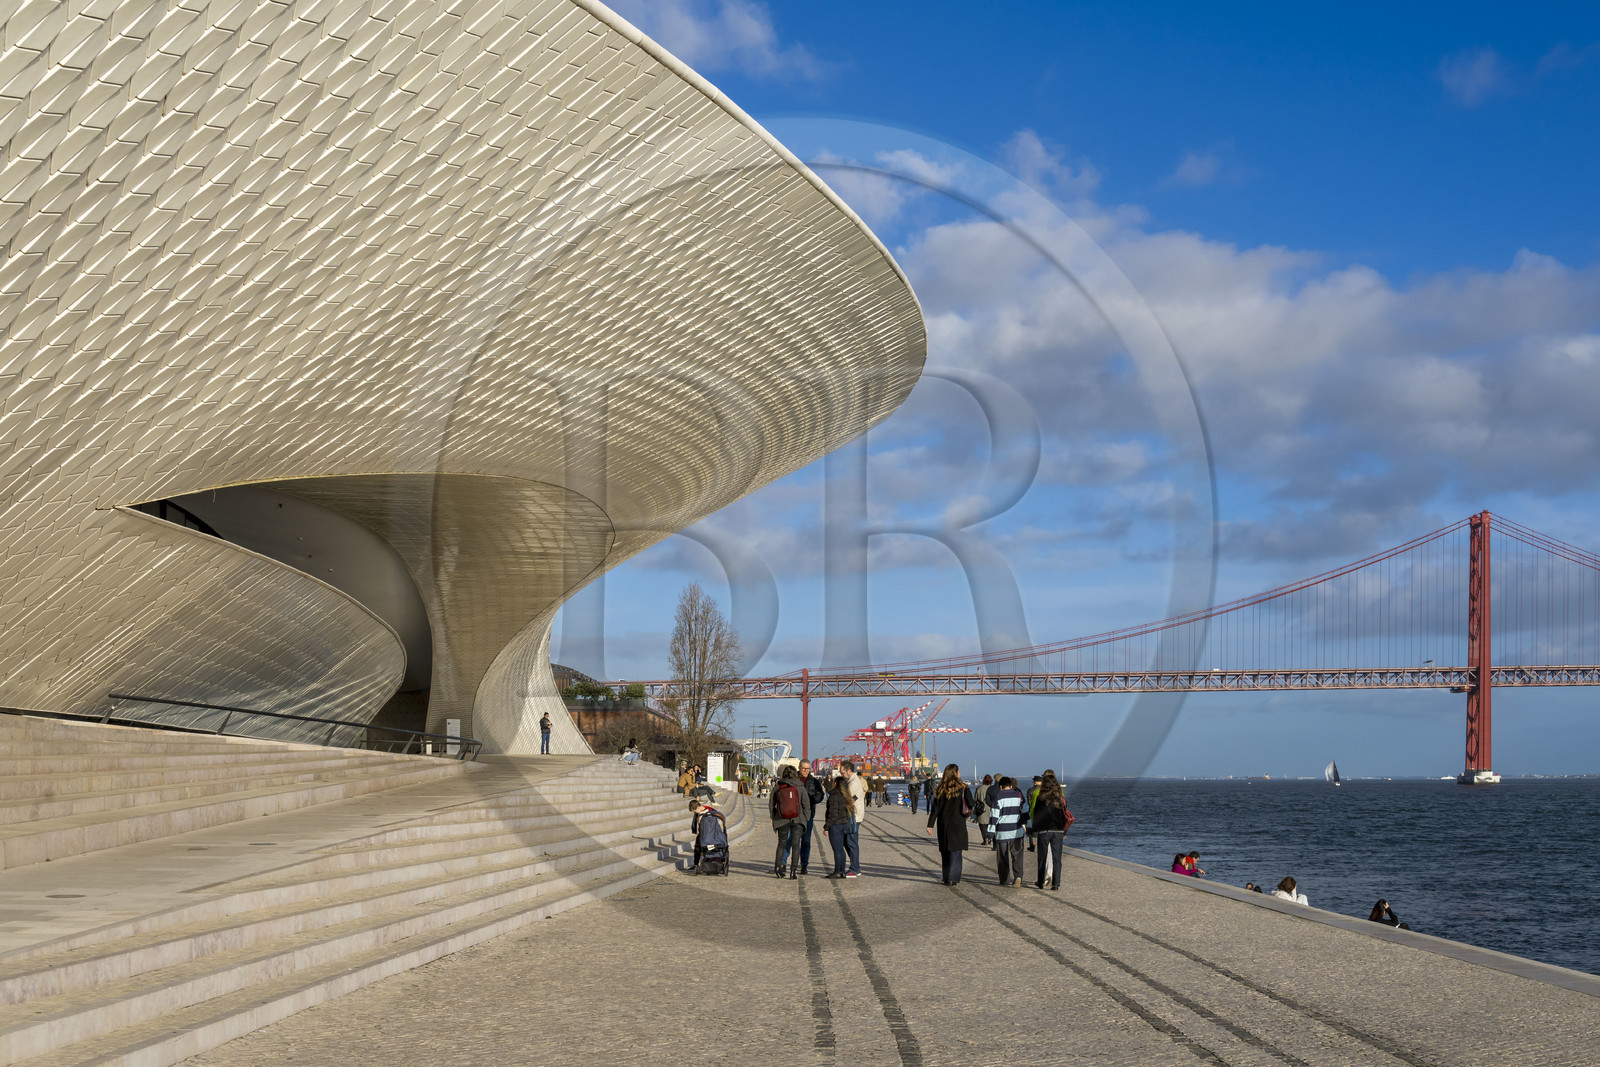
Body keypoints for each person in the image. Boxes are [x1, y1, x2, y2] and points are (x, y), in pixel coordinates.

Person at [925, 763, 974, 885]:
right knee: (956, 852)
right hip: (958, 823)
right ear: (956, 773)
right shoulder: (963, 787)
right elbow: (971, 804)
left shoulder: (940, 788)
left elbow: (935, 809)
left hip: (943, 823)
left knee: (945, 851)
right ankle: (953, 878)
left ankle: (946, 877)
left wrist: (930, 825)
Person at [1031, 774, 1073, 890]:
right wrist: (1065, 832)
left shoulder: (1040, 798)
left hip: (1044, 831)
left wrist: (1034, 834)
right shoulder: (1061, 799)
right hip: (1058, 831)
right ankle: (1056, 883)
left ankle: (1040, 881)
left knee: (1042, 857)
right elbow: (1065, 816)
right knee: (1057, 858)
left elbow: (1036, 817)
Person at [769, 765, 812, 879]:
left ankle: (778, 868)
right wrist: (806, 818)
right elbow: (806, 804)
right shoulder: (800, 786)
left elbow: (771, 801)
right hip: (797, 819)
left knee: (781, 844)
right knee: (796, 844)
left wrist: (773, 815)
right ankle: (793, 871)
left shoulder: (778, 785)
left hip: (782, 819)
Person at [988, 776, 1028, 887]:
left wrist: (990, 833)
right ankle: (1018, 876)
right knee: (1017, 856)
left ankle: (1004, 880)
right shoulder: (1018, 795)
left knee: (1002, 858)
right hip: (1017, 831)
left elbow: (994, 816)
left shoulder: (998, 796)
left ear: (1001, 786)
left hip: (1002, 832)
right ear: (1011, 785)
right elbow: (1025, 810)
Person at [797, 758, 825, 875]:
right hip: (794, 814)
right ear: (799, 768)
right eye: (804, 768)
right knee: (790, 840)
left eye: (808, 769)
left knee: (806, 841)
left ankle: (804, 865)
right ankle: (785, 864)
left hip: (808, 815)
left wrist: (811, 800)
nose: (806, 771)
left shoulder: (813, 781)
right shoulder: (794, 779)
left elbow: (821, 794)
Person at [823, 776, 853, 879]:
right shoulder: (845, 795)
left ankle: (837, 871)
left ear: (836, 783)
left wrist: (826, 827)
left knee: (837, 849)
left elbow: (832, 813)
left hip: (835, 825)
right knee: (841, 849)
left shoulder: (834, 796)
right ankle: (842, 870)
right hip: (843, 823)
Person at [841, 760, 866, 878]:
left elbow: (848, 800)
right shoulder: (853, 781)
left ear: (848, 771)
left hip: (853, 816)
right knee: (848, 841)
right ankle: (855, 865)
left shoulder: (853, 783)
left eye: (842, 773)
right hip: (854, 815)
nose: (841, 775)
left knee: (851, 842)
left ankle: (855, 869)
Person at [688, 798, 725, 873]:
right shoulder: (700, 813)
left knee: (699, 845)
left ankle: (703, 863)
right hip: (703, 832)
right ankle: (696, 864)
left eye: (695, 811)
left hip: (713, 832)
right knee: (697, 846)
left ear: (698, 807)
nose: (695, 813)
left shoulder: (710, 811)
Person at [973, 774, 994, 845]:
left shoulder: (979, 788)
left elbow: (975, 799)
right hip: (990, 807)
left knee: (982, 825)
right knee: (989, 824)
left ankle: (985, 839)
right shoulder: (991, 789)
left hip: (981, 808)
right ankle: (990, 838)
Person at [1025, 775, 1043, 851]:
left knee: (1031, 829)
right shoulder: (1044, 790)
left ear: (1035, 782)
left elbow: (1029, 802)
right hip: (1042, 811)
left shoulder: (1030, 790)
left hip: (1032, 811)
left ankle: (1032, 846)